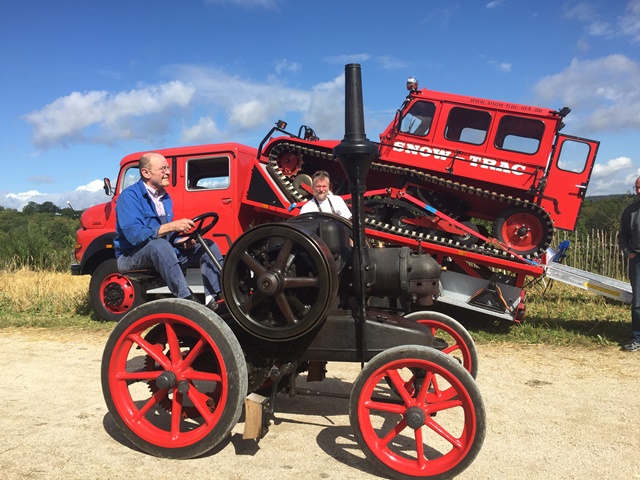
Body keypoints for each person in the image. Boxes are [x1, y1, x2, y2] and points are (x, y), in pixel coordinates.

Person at [114, 152, 223, 310]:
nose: (168, 172)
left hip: (162, 251)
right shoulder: (129, 197)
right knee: (159, 246)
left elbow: (167, 236)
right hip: (131, 256)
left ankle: (215, 300)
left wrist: (181, 241)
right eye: (163, 168)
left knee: (207, 245)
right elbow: (134, 236)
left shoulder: (165, 197)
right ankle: (187, 301)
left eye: (168, 168)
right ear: (146, 173)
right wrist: (172, 226)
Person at [618, 175, 640, 351]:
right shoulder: (630, 211)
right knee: (638, 301)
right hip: (637, 260)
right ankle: (637, 338)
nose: (639, 191)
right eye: (637, 188)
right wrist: (628, 252)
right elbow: (623, 235)